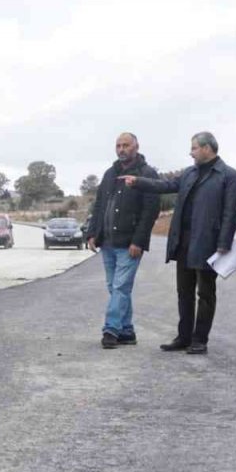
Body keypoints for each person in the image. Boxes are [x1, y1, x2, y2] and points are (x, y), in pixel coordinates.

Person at [125, 131, 236, 354]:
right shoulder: (190, 173)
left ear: (208, 148)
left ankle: (200, 340)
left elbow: (231, 212)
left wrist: (224, 242)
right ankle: (184, 337)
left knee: (205, 294)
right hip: (184, 242)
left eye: (194, 148)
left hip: (208, 243)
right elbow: (166, 185)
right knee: (183, 292)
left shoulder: (229, 176)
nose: (191, 153)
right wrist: (139, 182)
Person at [86, 132, 160, 349]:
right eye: (118, 145)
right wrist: (92, 233)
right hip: (107, 243)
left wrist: (139, 241)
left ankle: (111, 330)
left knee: (120, 287)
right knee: (116, 287)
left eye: (126, 145)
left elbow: (150, 211)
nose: (121, 149)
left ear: (136, 146)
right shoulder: (110, 173)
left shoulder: (147, 174)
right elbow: (99, 205)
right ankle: (127, 331)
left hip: (129, 244)